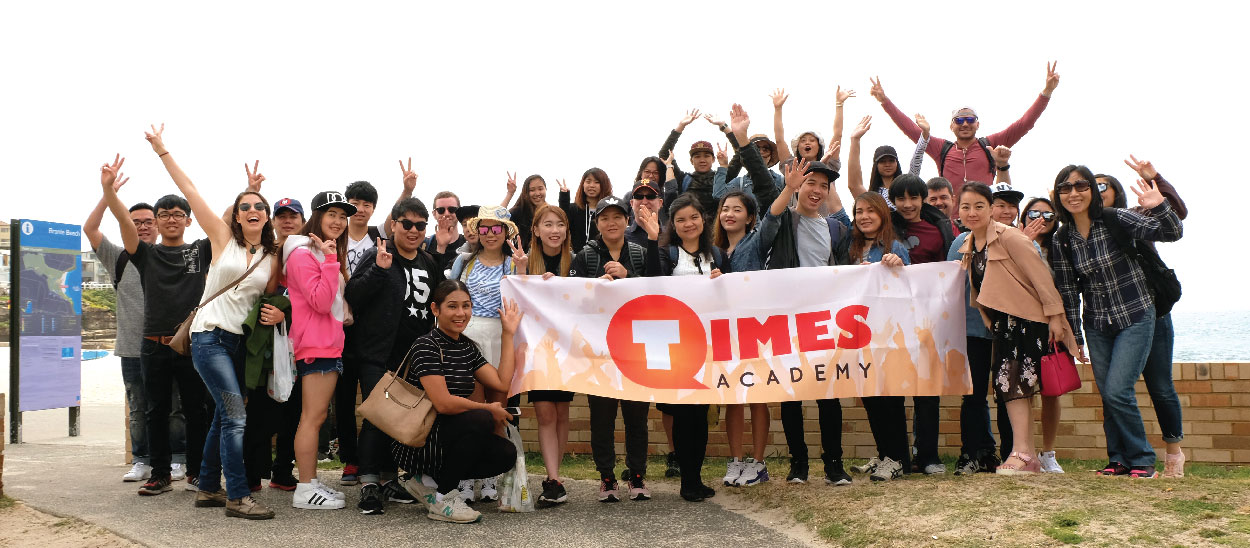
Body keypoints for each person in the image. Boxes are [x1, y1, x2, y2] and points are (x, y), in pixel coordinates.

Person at [155, 150, 280, 518]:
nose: (252, 210)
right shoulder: (223, 238)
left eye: (259, 206)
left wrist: (277, 312)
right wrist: (162, 150)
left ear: (266, 215)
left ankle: (209, 486)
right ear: (236, 216)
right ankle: (238, 496)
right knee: (235, 417)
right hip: (209, 338)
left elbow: (269, 298)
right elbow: (190, 190)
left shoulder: (271, 256)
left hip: (239, 344)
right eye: (245, 206)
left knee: (224, 416)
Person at [1050, 165, 1183, 479]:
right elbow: (1068, 290)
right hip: (1097, 323)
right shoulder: (1062, 238)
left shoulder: (1116, 218)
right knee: (1108, 394)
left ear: (1092, 191)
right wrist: (1075, 336)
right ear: (1059, 196)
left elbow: (1172, 232)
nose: (1073, 193)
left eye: (1081, 186)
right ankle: (1119, 459)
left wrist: (1159, 206)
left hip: (1136, 313)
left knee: (1117, 390)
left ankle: (1143, 459)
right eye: (1066, 188)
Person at [100, 142, 211, 500]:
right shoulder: (145, 253)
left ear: (188, 219)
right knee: (155, 411)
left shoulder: (200, 250)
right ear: (157, 220)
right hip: (152, 345)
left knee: (196, 411)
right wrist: (109, 191)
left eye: (178, 214)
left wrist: (251, 190)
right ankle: (160, 474)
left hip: (191, 345)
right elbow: (123, 221)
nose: (171, 219)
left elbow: (220, 218)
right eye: (164, 214)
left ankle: (196, 472)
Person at [956, 182, 1078, 475]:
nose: (972, 212)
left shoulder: (1010, 237)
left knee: (1018, 385)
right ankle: (1026, 454)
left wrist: (1056, 318)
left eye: (979, 206)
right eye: (965, 207)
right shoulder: (970, 243)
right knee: (1008, 386)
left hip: (1028, 321)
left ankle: (1023, 453)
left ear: (991, 209)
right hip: (1004, 326)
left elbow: (1041, 278)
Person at [85, 178, 192, 484]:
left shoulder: (172, 255)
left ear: (158, 224)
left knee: (175, 408)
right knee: (139, 408)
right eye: (136, 222)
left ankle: (178, 459)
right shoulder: (118, 257)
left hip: (171, 345)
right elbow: (90, 229)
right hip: (132, 347)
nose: (143, 227)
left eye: (148, 221)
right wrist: (108, 194)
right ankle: (141, 460)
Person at [389, 282, 523, 524]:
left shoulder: (467, 348)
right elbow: (443, 404)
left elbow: (502, 383)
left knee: (505, 454)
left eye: (466, 306)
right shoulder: (426, 346)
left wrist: (508, 334)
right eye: (452, 306)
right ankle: (443, 498)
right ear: (435, 309)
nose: (461, 313)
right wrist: (487, 409)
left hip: (448, 437)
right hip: (418, 440)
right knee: (482, 419)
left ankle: (427, 481)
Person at [756, 147, 852, 486]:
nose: (817, 190)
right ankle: (798, 464)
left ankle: (834, 464)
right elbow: (768, 221)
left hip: (824, 322)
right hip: (786, 321)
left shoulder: (837, 230)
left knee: (829, 394)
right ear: (799, 185)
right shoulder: (784, 220)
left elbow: (846, 273)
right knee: (791, 394)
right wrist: (788, 188)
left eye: (824, 185)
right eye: (811, 182)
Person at [345, 197, 445, 514]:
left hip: (414, 357)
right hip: (378, 353)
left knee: (401, 419)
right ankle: (369, 483)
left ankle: (390, 479)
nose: (413, 231)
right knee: (378, 417)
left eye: (420, 225)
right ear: (394, 225)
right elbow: (353, 295)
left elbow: (441, 302)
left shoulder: (429, 262)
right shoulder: (379, 254)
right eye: (407, 224)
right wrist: (379, 269)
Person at [569, 195, 662, 502]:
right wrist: (595, 286)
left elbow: (656, 291)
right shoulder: (584, 256)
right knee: (601, 419)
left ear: (627, 220)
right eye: (605, 218)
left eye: (617, 217)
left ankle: (637, 476)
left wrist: (628, 277)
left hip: (636, 348)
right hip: (599, 351)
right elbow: (572, 300)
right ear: (597, 223)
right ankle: (607, 479)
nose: (612, 223)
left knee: (637, 418)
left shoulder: (639, 252)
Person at [1106, 156, 1190, 478]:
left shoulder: (1134, 218)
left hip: (1152, 313)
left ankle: (1174, 453)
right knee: (1115, 390)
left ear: (1116, 193)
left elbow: (1176, 214)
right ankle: (1121, 458)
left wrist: (1157, 179)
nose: (1094, 192)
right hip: (1111, 319)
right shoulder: (1081, 230)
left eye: (1102, 186)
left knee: (1160, 386)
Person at [868, 62, 1061, 192]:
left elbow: (1024, 124)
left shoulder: (990, 144)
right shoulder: (942, 148)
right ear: (951, 126)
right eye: (959, 120)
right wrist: (884, 101)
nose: (965, 124)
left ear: (978, 124)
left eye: (970, 119)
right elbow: (910, 129)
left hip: (984, 220)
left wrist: (1046, 92)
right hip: (950, 224)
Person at [449, 205, 527, 502]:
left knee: (498, 409)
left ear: (506, 232)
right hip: (469, 336)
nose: (490, 234)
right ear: (477, 231)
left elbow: (523, 300)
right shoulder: (464, 261)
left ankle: (491, 477)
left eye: (497, 228)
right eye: (485, 228)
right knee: (472, 411)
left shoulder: (513, 263)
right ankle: (466, 477)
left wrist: (522, 269)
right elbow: (451, 296)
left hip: (502, 337)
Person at [283, 190, 355, 509]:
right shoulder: (303, 254)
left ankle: (310, 482)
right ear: (317, 216)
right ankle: (305, 488)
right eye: (331, 214)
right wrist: (329, 261)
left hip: (325, 343)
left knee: (316, 416)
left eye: (343, 216)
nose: (338, 221)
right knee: (312, 418)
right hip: (316, 344)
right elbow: (321, 302)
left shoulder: (317, 251)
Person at [656, 194, 724, 501]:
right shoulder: (667, 254)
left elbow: (730, 298)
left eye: (694, 217)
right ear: (673, 224)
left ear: (704, 220)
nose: (688, 224)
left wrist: (724, 281)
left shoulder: (717, 255)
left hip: (708, 345)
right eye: (681, 219)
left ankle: (696, 477)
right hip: (676, 346)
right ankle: (687, 481)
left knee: (700, 414)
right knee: (684, 414)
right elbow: (653, 287)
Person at [841, 192, 912, 482]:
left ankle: (897, 459)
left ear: (883, 214)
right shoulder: (851, 247)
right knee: (870, 397)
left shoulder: (896, 247)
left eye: (871, 211)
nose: (864, 217)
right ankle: (884, 454)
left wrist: (898, 265)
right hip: (860, 336)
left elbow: (911, 287)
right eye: (859, 211)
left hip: (888, 336)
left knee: (890, 398)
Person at [244, 196, 304, 492]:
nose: (287, 221)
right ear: (273, 220)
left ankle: (282, 471)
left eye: (293, 216)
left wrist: (286, 314)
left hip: (301, 348)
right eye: (282, 216)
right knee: (260, 413)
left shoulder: (309, 253)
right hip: (265, 349)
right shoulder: (262, 253)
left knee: (294, 414)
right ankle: (252, 473)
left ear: (303, 221)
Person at [525, 204, 576, 507]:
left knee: (562, 412)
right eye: (547, 224)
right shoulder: (524, 263)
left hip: (567, 350)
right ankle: (553, 478)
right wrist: (524, 275)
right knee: (545, 413)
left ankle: (555, 478)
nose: (554, 230)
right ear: (536, 230)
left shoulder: (576, 262)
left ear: (567, 230)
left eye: (560, 224)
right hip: (537, 351)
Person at [658, 109, 735, 219]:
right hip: (690, 227)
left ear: (714, 159)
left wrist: (724, 127)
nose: (702, 160)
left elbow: (741, 155)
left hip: (719, 229)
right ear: (691, 161)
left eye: (706, 156)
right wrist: (681, 126)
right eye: (697, 156)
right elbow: (664, 154)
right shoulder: (684, 179)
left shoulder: (723, 177)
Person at [846, 114, 929, 204]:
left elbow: (916, 161)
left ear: (897, 163)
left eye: (891, 160)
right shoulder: (873, 198)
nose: (887, 164)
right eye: (882, 161)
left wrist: (925, 133)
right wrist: (855, 140)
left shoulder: (907, 186)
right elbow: (854, 185)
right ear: (876, 165)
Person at [559, 168, 612, 251]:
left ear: (604, 185)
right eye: (588, 181)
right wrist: (564, 196)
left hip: (602, 256)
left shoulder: (609, 210)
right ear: (583, 184)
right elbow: (562, 219)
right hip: (577, 255)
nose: (591, 185)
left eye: (597, 182)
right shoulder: (574, 209)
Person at [424, 190, 467, 273]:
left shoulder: (470, 245)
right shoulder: (423, 245)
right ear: (434, 214)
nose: (446, 213)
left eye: (452, 209)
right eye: (441, 210)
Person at [502, 173, 548, 249]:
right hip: (523, 255)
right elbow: (497, 217)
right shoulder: (519, 212)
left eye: (540, 189)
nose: (537, 193)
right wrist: (510, 193)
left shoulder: (551, 212)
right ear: (526, 192)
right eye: (532, 190)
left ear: (546, 189)